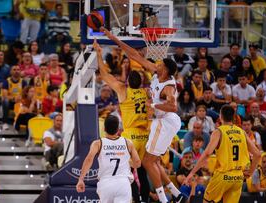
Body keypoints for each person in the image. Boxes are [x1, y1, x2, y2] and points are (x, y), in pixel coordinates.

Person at [102, 27, 187, 203]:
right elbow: (135, 56)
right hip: (160, 122)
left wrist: (153, 103)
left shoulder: (169, 87)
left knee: (148, 162)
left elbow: (173, 106)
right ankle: (176, 194)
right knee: (153, 161)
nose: (157, 64)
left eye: (160, 64)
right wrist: (113, 38)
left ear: (165, 70)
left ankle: (164, 200)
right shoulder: (158, 73)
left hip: (165, 121)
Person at [93, 40, 150, 202]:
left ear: (128, 82)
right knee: (143, 171)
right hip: (145, 135)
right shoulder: (147, 92)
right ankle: (145, 200)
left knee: (127, 172)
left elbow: (104, 75)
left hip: (131, 135)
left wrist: (99, 54)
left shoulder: (123, 91)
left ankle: (136, 199)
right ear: (140, 82)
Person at [184, 105, 261, 203]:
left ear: (220, 116)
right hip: (238, 177)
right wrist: (250, 172)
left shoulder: (219, 131)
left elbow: (207, 153)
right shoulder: (241, 132)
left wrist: (191, 173)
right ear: (233, 117)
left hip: (223, 175)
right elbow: (258, 154)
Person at [76, 115, 141, 203]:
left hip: (106, 183)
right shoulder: (128, 142)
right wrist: (127, 163)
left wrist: (81, 179)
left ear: (104, 128)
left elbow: (88, 160)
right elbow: (137, 163)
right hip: (123, 183)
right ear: (118, 129)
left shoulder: (98, 143)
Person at [1, 65, 27, 130]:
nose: (16, 71)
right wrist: (13, 98)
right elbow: (5, 95)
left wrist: (20, 98)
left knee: (24, 103)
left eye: (18, 70)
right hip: (10, 102)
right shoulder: (6, 82)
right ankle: (4, 122)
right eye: (14, 70)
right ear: (10, 72)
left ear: (20, 71)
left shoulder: (23, 82)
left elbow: (25, 94)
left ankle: (18, 123)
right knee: (6, 101)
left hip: (20, 102)